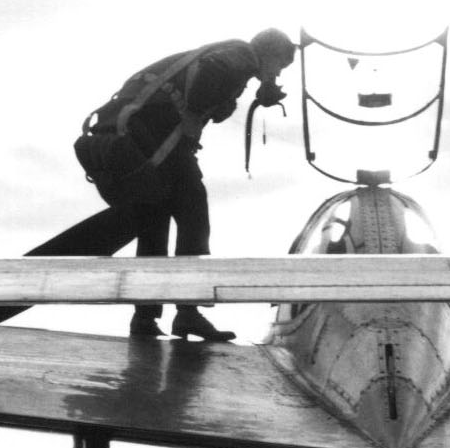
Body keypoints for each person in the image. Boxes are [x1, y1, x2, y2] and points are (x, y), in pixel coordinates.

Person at [76, 28, 296, 339]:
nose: (276, 73)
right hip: (161, 142)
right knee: (194, 217)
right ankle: (188, 312)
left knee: (153, 229)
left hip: (142, 141)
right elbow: (210, 76)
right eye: (279, 66)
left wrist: (259, 89)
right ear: (270, 54)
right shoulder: (242, 56)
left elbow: (212, 95)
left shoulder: (226, 52)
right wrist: (194, 117)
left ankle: (145, 318)